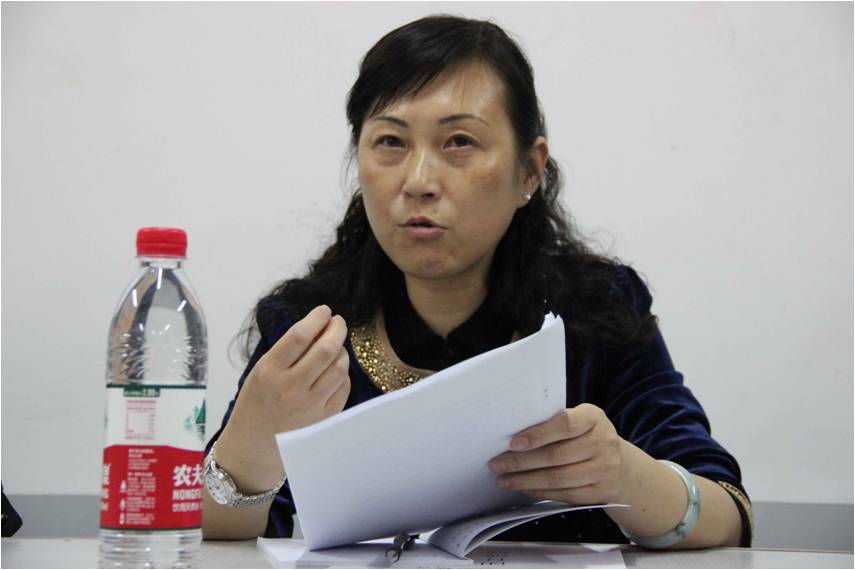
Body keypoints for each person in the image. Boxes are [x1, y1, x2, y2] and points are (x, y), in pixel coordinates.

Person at [201, 14, 752, 548]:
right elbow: (218, 538)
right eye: (391, 142)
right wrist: (246, 454)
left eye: (459, 141)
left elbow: (728, 515)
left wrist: (628, 477)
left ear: (529, 170)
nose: (419, 181)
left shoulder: (599, 313)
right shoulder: (311, 328)